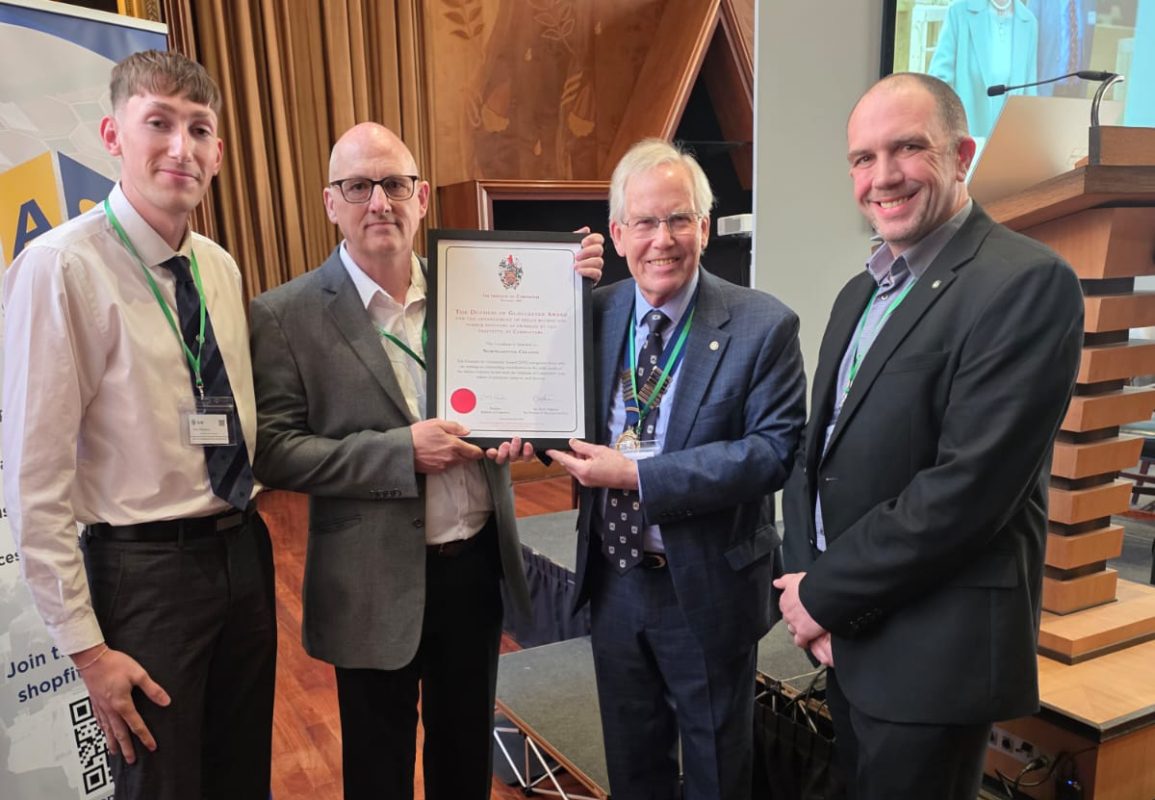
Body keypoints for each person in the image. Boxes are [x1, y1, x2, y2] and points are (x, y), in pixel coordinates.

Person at [248, 121, 603, 800]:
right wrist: (399, 453)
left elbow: (534, 381)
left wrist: (566, 286)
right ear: (331, 201)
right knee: (378, 769)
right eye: (358, 186)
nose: (378, 201)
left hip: (472, 564)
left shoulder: (480, 289)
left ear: (421, 197)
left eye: (394, 184)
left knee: (464, 755)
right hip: (370, 580)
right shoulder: (285, 315)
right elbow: (276, 451)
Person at [776, 72, 1084, 800]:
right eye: (862, 157)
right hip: (847, 634)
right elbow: (812, 456)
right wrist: (806, 596)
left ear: (960, 154)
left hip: (930, 655)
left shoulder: (1024, 283)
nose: (881, 176)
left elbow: (966, 492)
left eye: (907, 148)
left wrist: (822, 594)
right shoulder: (863, 289)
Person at [2, 50, 275, 799]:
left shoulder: (219, 267)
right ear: (112, 135)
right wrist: (89, 654)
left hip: (242, 551)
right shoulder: (59, 268)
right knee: (162, 785)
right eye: (158, 123)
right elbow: (35, 479)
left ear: (218, 153)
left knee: (240, 773)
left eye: (199, 129)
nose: (180, 148)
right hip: (144, 578)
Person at [546, 138, 806, 800]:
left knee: (718, 773)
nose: (661, 240)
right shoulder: (593, 314)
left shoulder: (762, 325)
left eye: (678, 219)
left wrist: (638, 476)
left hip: (707, 587)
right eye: (644, 222)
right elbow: (541, 395)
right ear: (617, 232)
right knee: (633, 767)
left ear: (704, 226)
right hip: (616, 582)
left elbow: (771, 451)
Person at [928, 0, 1039, 140]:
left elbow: (1030, 91)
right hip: (965, 139)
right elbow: (938, 82)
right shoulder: (958, 12)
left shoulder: (1029, 21)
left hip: (1010, 140)